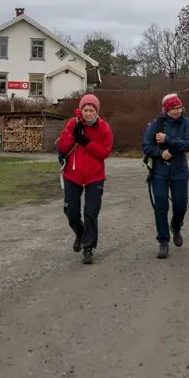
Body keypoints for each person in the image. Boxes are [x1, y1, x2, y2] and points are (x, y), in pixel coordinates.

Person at [57, 94, 114, 265]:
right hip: (72, 174)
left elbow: (105, 152)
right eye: (85, 110)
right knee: (71, 211)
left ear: (97, 111)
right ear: (80, 110)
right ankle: (80, 233)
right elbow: (62, 146)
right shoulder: (73, 124)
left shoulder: (104, 128)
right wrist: (74, 136)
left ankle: (88, 248)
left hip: (94, 175)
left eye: (91, 110)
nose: (88, 113)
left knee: (91, 212)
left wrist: (86, 142)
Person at [142, 93, 189, 258]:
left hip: (179, 170)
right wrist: (160, 153)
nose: (176, 111)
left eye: (178, 108)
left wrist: (168, 139)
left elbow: (188, 144)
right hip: (159, 171)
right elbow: (146, 146)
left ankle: (176, 226)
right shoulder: (156, 124)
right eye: (173, 108)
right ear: (166, 109)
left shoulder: (186, 123)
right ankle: (163, 241)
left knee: (181, 205)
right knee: (161, 206)